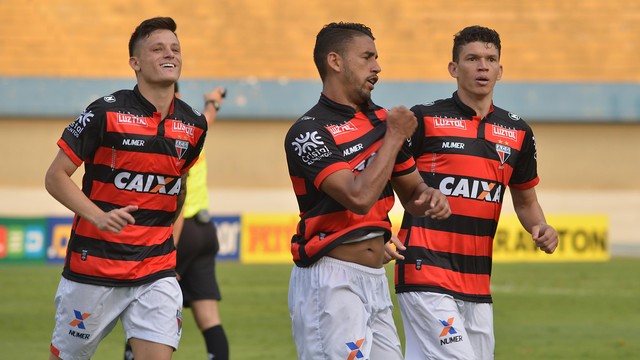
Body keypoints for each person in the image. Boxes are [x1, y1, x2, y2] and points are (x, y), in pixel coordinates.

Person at [284, 22, 451, 360]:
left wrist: (430, 197)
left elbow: (412, 194)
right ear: (335, 61)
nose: (377, 67)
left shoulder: (382, 121)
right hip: (331, 282)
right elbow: (358, 198)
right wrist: (393, 136)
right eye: (367, 57)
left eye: (377, 58)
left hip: (375, 280)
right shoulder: (308, 132)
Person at [45, 17, 208, 360]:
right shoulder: (105, 112)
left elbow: (178, 187)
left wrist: (167, 240)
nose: (170, 54)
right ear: (135, 62)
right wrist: (98, 216)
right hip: (94, 268)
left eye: (176, 48)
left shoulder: (194, 124)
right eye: (158, 48)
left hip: (155, 269)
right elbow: (56, 176)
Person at [395, 25, 560, 360]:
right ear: (454, 69)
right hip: (424, 269)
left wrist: (541, 227)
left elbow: (526, 201)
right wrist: (382, 229)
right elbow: (384, 175)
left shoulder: (518, 132)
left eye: (490, 59)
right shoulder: (425, 118)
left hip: (477, 282)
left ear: (501, 69)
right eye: (472, 58)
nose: (482, 66)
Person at [124, 84, 229, 360]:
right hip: (205, 230)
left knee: (142, 316)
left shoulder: (167, 131)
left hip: (178, 230)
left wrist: (169, 249)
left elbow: (176, 199)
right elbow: (208, 116)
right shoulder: (195, 128)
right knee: (209, 319)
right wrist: (214, 101)